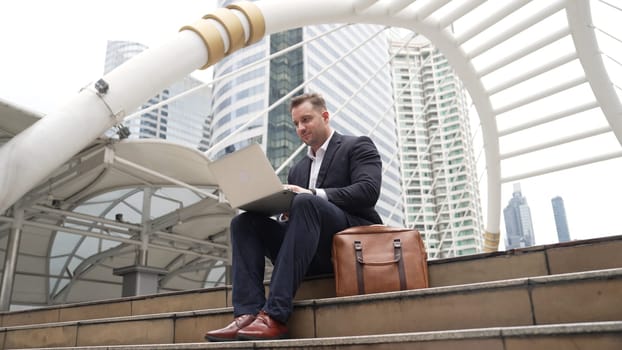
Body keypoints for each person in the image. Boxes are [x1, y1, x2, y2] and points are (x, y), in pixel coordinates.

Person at [205, 92, 383, 341]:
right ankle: (246, 314)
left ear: (325, 116)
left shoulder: (357, 146)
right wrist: (283, 212)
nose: (301, 128)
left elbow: (368, 192)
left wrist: (311, 194)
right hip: (308, 251)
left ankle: (275, 316)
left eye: (306, 120)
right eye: (296, 123)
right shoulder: (298, 169)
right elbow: (299, 218)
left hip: (349, 244)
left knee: (306, 201)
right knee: (244, 222)